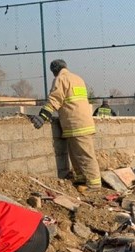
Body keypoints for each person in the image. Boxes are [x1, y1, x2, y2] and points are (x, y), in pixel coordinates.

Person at [30, 60, 101, 192]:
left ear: (54, 71)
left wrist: (43, 116)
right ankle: (81, 179)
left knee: (85, 155)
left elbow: (55, 99)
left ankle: (94, 184)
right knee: (76, 154)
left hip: (76, 124)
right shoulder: (78, 78)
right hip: (82, 123)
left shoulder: (61, 79)